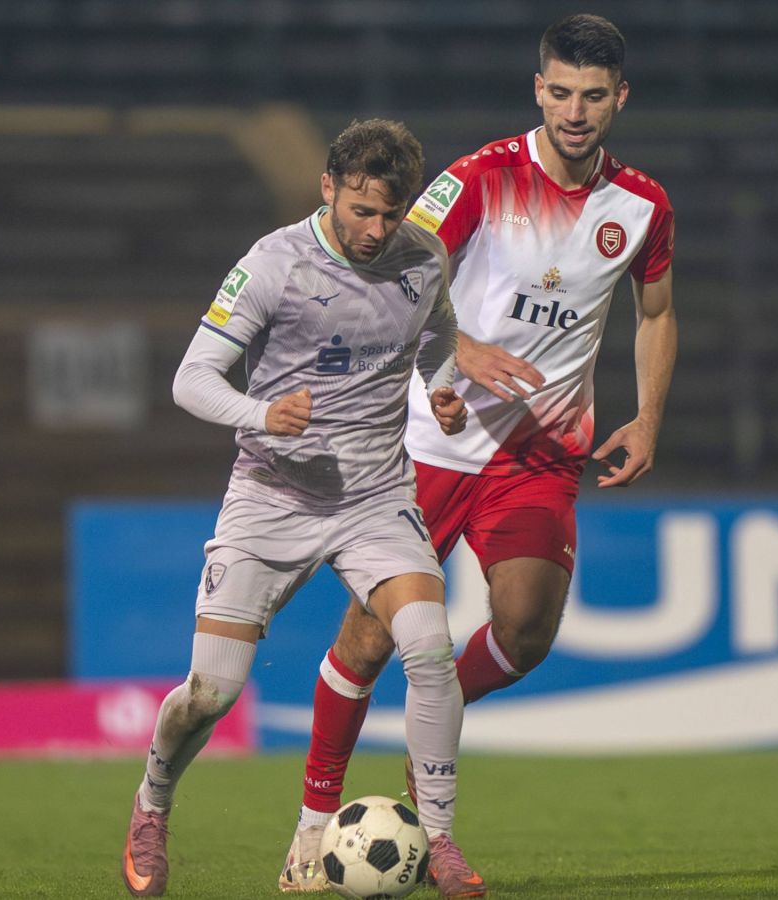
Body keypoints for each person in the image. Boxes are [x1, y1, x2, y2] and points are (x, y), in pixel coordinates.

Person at [280, 13, 676, 898]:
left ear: (619, 100)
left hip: (539, 452)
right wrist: (459, 352)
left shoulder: (642, 205)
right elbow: (387, 280)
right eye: (561, 92)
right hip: (433, 436)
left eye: (594, 96)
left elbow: (655, 314)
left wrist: (649, 417)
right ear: (540, 89)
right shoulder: (478, 179)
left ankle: (430, 756)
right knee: (371, 633)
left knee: (528, 625)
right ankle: (312, 827)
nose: (576, 111)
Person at [121, 118, 483, 898]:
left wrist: (444, 390)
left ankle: (444, 838)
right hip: (272, 496)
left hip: (375, 497)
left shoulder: (423, 257)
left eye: (390, 213)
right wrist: (261, 414)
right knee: (210, 694)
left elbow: (440, 338)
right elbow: (192, 378)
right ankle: (152, 803)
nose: (376, 230)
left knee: (427, 641)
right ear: (329, 188)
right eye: (360, 210)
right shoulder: (273, 264)